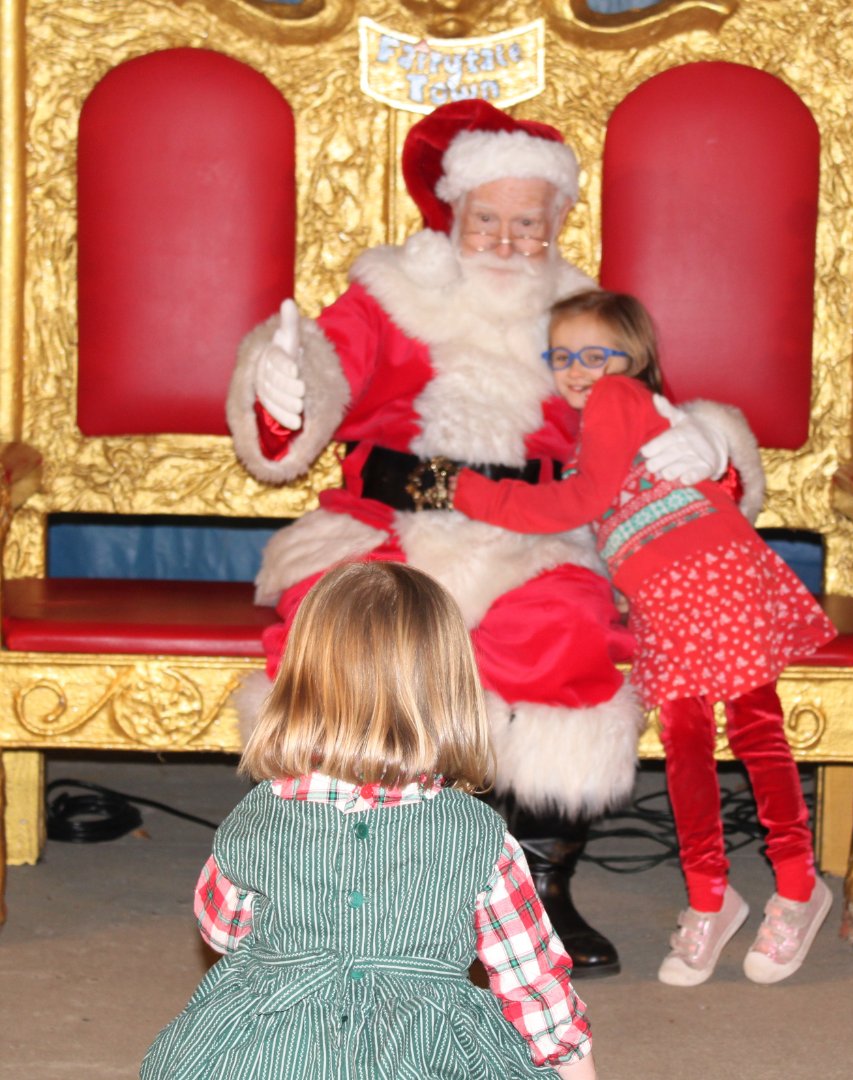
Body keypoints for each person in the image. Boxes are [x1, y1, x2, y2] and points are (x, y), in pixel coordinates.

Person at [226, 99, 754, 977]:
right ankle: (333, 884)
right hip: (388, 521)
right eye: (489, 220)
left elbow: (652, 419)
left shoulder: (582, 318)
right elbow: (319, 367)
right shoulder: (391, 295)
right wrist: (284, 383)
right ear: (453, 214)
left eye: (529, 224)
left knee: (568, 630)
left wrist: (701, 443)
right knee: (344, 633)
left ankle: (538, 891)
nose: (508, 242)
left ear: (557, 226)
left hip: (537, 536)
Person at [451, 290, 838, 987]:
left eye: (595, 355)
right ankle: (710, 900)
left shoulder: (618, 400)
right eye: (563, 355)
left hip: (713, 576)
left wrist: (472, 493)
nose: (577, 369)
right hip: (664, 599)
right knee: (687, 748)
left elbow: (583, 502)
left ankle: (800, 887)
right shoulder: (603, 424)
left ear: (635, 361)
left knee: (755, 732)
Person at [141, 561, 597, 1080]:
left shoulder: (260, 815)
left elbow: (222, 929)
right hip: (424, 1052)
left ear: (301, 683)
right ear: (450, 693)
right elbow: (533, 981)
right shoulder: (478, 837)